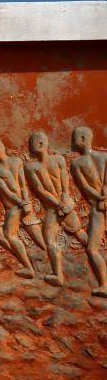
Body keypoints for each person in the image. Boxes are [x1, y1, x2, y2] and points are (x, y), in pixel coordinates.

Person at [25, 131, 87, 286]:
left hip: (54, 209)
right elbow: (61, 180)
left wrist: (59, 201)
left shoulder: (32, 167)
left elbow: (41, 189)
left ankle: (58, 275)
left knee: (50, 240)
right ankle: (93, 254)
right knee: (79, 232)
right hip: (65, 205)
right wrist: (64, 198)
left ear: (39, 144)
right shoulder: (55, 160)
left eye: (35, 141)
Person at [0, 139, 44, 278]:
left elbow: (6, 192)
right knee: (35, 232)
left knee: (10, 235)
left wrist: (21, 203)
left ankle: (30, 268)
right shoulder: (17, 161)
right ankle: (50, 259)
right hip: (24, 203)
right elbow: (22, 185)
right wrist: (25, 202)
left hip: (13, 207)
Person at [69, 126, 107, 297]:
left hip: (98, 208)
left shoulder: (78, 163)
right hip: (100, 206)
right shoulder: (103, 157)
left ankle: (104, 285)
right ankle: (103, 285)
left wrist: (100, 199)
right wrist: (103, 197)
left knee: (93, 249)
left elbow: (85, 186)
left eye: (74, 138)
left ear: (83, 138)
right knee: (92, 249)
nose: (72, 143)